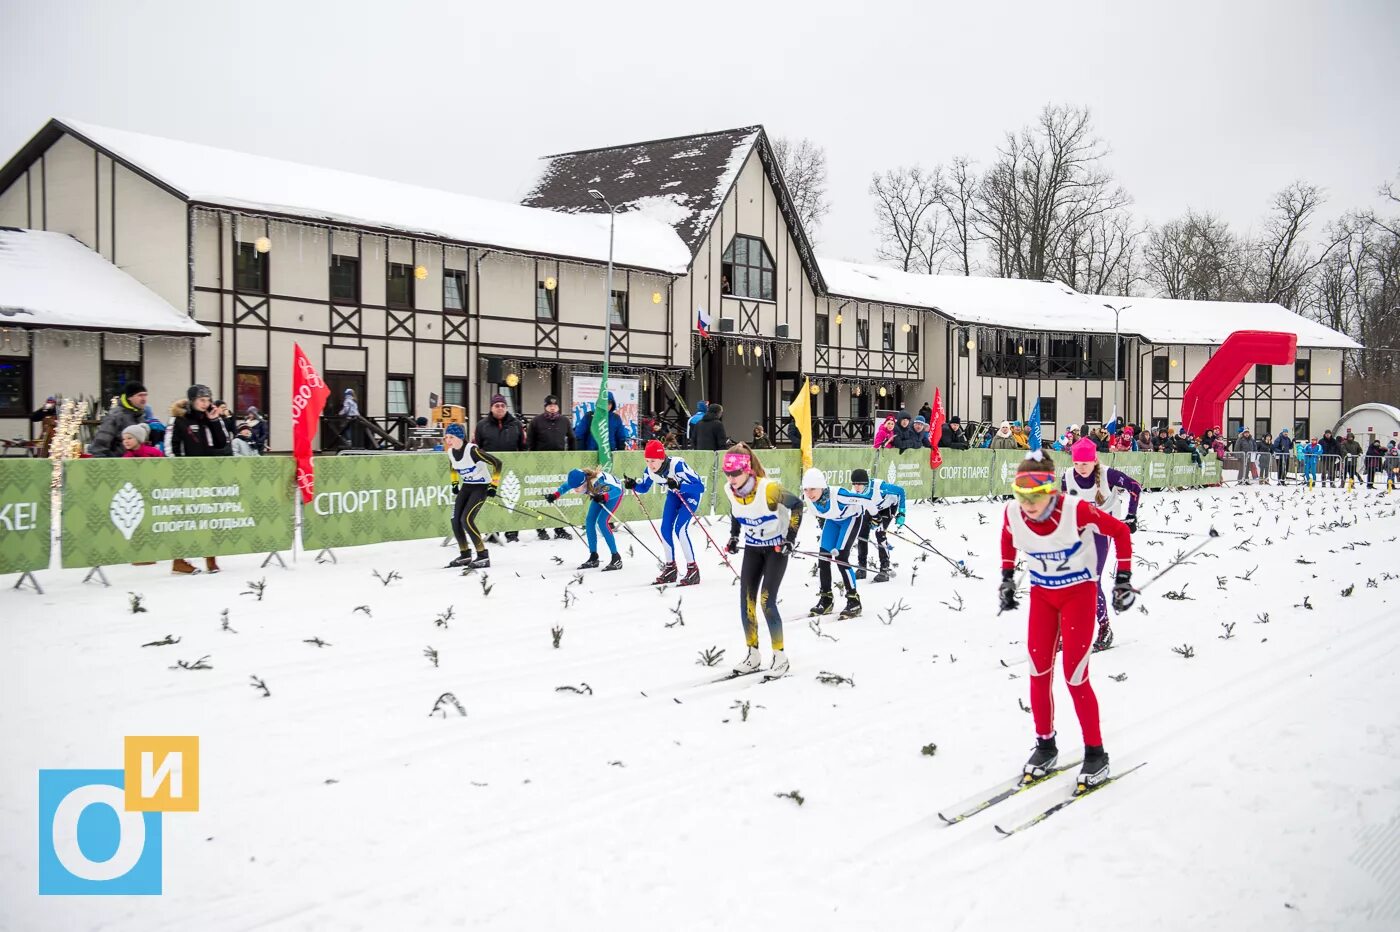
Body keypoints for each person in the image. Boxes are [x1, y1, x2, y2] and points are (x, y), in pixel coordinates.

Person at [1001, 454, 1135, 793]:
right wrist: (1005, 577)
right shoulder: (1014, 513)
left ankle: (1095, 753)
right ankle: (1045, 745)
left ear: (1051, 491)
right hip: (1043, 598)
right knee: (1037, 670)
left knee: (1075, 675)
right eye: (1022, 495)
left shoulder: (1075, 510)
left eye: (1037, 495)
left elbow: (1120, 531)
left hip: (1078, 596)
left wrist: (1122, 579)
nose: (1029, 505)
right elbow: (1007, 536)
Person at [721, 444, 804, 678]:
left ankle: (780, 656)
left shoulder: (768, 489)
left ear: (747, 470)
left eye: (736, 473)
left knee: (767, 601)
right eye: (728, 473)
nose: (731, 478)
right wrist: (734, 536)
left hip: (776, 549)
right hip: (753, 549)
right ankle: (753, 654)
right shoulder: (730, 489)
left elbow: (797, 505)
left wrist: (790, 538)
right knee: (746, 601)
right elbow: (736, 512)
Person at [1062, 438, 1141, 652]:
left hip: (1104, 529)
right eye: (1077, 463)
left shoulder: (1108, 475)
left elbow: (1135, 487)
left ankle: (1104, 627)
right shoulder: (1068, 476)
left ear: (1094, 460)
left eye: (1085, 464)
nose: (1081, 468)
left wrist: (1131, 516)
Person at [624, 439, 706, 586]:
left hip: (691, 495)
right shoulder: (649, 471)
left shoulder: (678, 466)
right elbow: (644, 488)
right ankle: (670, 568)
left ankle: (693, 569)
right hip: (674, 495)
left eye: (653, 461)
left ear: (662, 458)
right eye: (647, 461)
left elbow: (700, 487)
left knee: (680, 529)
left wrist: (680, 485)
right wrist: (634, 485)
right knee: (665, 529)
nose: (650, 465)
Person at [169, 384, 229, 575]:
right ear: (192, 401)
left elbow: (223, 442)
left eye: (208, 400)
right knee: (186, 519)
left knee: (209, 517)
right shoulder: (179, 420)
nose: (205, 404)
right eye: (201, 400)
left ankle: (210, 558)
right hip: (186, 476)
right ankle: (178, 561)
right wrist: (177, 470)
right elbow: (171, 447)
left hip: (208, 474)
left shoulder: (209, 419)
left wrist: (214, 421)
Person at [800, 467, 873, 619]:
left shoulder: (838, 495)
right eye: (806, 489)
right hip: (833, 520)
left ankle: (854, 600)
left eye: (813, 489)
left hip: (851, 518)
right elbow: (820, 513)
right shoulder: (809, 498)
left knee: (841, 558)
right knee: (824, 558)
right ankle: (826, 599)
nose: (809, 493)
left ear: (822, 487)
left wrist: (876, 516)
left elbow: (866, 500)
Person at [444, 423, 502, 569]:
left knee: (466, 519)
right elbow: (453, 466)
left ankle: (483, 555)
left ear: (460, 437)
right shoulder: (451, 452)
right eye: (446, 437)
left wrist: (493, 485)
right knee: (454, 520)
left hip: (481, 487)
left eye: (451, 437)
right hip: (467, 487)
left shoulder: (472, 451)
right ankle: (465, 554)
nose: (448, 440)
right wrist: (454, 483)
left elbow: (497, 463)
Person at [546, 466, 624, 571]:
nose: (575, 490)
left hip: (612, 495)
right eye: (574, 488)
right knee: (589, 521)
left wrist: (604, 497)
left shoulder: (597, 482)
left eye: (577, 488)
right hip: (599, 493)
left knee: (602, 522)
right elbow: (566, 486)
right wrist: (555, 495)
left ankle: (616, 558)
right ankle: (593, 557)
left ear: (585, 483)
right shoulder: (579, 479)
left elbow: (617, 491)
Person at [476, 394, 526, 543]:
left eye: (503, 405)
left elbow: (523, 446)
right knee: (493, 500)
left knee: (511, 499)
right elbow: (477, 447)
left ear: (506, 407)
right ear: (491, 408)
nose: (500, 408)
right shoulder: (482, 425)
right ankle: (493, 531)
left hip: (512, 469)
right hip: (490, 470)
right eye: (497, 405)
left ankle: (512, 533)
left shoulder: (516, 424)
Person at [526, 393, 575, 541]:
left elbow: (572, 439)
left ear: (558, 407)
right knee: (542, 496)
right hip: (541, 464)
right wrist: (532, 459)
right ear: (545, 407)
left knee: (559, 494)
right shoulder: (536, 421)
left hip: (559, 463)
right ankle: (541, 527)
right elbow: (530, 442)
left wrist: (571, 456)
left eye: (555, 405)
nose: (552, 407)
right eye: (549, 405)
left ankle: (559, 528)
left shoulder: (564, 421)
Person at [851, 467, 904, 583]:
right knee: (862, 532)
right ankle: (862, 567)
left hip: (888, 507)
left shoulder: (880, 487)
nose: (856, 487)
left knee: (879, 533)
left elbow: (901, 491)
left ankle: (884, 569)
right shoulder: (855, 491)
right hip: (873, 508)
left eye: (859, 484)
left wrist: (902, 513)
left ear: (866, 483)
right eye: (854, 484)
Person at [87, 382, 149, 457]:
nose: (144, 398)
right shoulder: (116, 416)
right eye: (140, 395)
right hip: (117, 463)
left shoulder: (141, 416)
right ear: (129, 397)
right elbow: (100, 444)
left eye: (145, 395)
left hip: (136, 463)